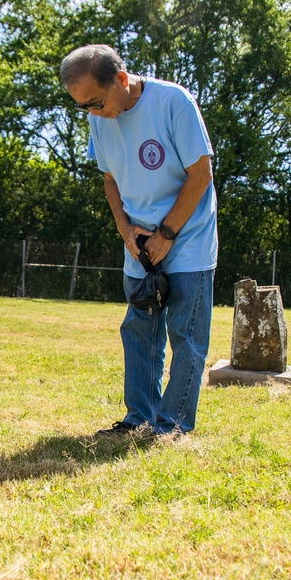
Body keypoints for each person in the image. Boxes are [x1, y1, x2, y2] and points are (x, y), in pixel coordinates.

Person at [60, 44, 218, 439]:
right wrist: (124, 228)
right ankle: (139, 419)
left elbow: (201, 174)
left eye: (95, 102)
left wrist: (166, 234)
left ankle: (172, 426)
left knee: (186, 334)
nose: (93, 113)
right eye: (83, 108)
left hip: (188, 238)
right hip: (139, 243)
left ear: (122, 79)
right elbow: (110, 179)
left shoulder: (174, 102)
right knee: (140, 331)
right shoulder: (99, 117)